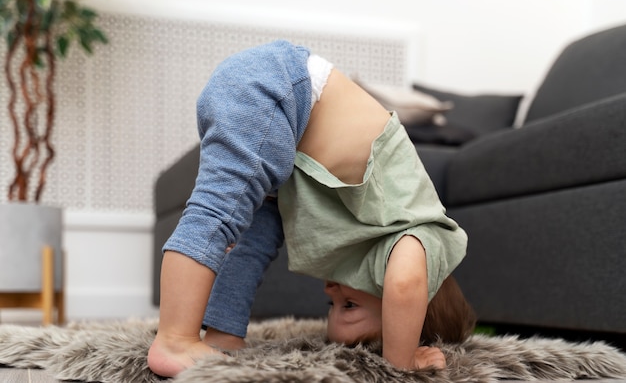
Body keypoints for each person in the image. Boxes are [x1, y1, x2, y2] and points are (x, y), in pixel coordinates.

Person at [147, 40, 471, 377]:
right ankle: (175, 338)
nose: (330, 290)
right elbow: (406, 286)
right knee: (216, 216)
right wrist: (402, 361)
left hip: (287, 132)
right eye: (348, 304)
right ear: (417, 305)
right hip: (286, 89)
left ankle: (223, 335)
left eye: (332, 305)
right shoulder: (423, 237)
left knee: (254, 241)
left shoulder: (379, 230)